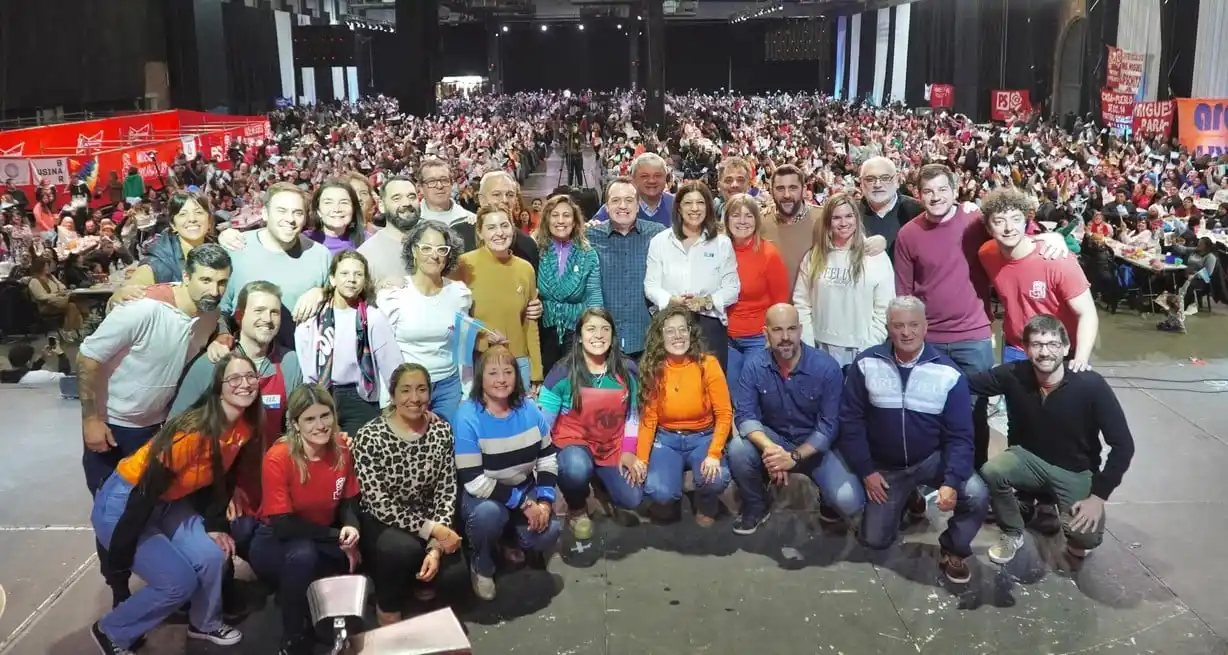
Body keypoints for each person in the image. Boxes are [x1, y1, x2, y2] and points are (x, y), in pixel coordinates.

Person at [77, 244, 231, 608]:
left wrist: (223, 337)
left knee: (153, 510)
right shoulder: (143, 309)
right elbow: (87, 358)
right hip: (114, 428)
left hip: (156, 428)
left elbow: (218, 324)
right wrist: (91, 418)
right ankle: (118, 592)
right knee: (112, 517)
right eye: (206, 280)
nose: (214, 289)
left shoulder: (208, 315)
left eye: (222, 282)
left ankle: (167, 585)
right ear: (186, 277)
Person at [894, 164, 1070, 471]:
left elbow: (1014, 233)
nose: (936, 197)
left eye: (942, 189)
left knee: (975, 413)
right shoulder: (908, 234)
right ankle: (936, 476)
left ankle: (972, 476)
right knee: (931, 411)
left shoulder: (975, 221)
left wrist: (1051, 237)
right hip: (930, 339)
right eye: (928, 191)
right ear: (918, 195)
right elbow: (904, 294)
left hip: (972, 337)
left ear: (955, 190)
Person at [89, 354, 262, 655]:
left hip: (167, 502)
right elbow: (143, 494)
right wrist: (120, 555)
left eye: (250, 376)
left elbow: (223, 476)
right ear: (219, 387)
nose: (244, 384)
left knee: (212, 556)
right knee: (177, 582)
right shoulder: (193, 432)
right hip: (128, 501)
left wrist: (215, 525)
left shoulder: (243, 427)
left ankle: (205, 623)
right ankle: (111, 631)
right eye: (234, 378)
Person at [835, 296, 989, 584]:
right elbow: (850, 421)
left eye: (913, 325)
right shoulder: (866, 364)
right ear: (888, 328)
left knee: (976, 493)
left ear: (925, 327)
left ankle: (954, 548)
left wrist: (951, 481)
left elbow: (960, 436)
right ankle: (909, 494)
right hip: (885, 467)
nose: (906, 332)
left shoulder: (948, 373)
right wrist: (866, 471)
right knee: (875, 541)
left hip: (930, 460)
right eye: (898, 325)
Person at [972, 315, 1135, 564]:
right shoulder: (1013, 374)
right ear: (1026, 349)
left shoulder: (1090, 385)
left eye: (1052, 344)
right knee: (993, 471)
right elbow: (963, 384)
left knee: (1085, 539)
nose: (1045, 352)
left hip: (1074, 470)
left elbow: (1123, 446)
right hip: (1028, 459)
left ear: (1066, 348)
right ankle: (1013, 531)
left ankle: (1048, 504)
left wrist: (1098, 497)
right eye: (1037, 344)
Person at [247, 384, 361, 655]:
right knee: (303, 555)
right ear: (295, 424)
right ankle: (292, 638)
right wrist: (337, 537)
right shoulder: (278, 457)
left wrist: (351, 529)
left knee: (339, 555)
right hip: (275, 539)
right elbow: (284, 525)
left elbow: (349, 500)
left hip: (320, 534)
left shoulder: (342, 447)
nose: (320, 425)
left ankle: (317, 617)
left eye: (325, 416)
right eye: (309, 419)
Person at [171, 280, 302, 516]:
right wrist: (220, 487)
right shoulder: (213, 364)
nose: (268, 319)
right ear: (240, 316)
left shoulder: (289, 362)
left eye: (274, 312)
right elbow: (176, 429)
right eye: (259, 310)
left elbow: (296, 427)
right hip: (215, 487)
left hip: (271, 485)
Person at [727, 304, 856, 534]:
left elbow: (829, 427)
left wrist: (793, 457)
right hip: (776, 440)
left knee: (849, 500)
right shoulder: (754, 365)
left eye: (791, 329)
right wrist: (771, 450)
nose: (785, 337)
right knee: (738, 448)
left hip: (816, 447)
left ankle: (828, 500)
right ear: (765, 333)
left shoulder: (825, 367)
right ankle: (757, 504)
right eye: (777, 330)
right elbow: (745, 415)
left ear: (800, 330)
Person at [352, 363, 464, 624]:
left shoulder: (441, 431)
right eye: (405, 390)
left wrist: (436, 547)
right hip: (383, 523)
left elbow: (446, 490)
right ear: (392, 395)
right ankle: (387, 606)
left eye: (422, 389)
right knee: (402, 550)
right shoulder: (369, 436)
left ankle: (420, 584)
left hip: (430, 519)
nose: (415, 398)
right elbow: (378, 503)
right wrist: (433, 530)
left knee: (457, 576)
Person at [453, 346, 561, 601]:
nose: (501, 379)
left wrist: (544, 503)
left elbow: (547, 458)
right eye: (493, 373)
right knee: (488, 516)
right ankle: (481, 563)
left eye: (508, 372)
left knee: (551, 530)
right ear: (480, 378)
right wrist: (525, 504)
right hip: (484, 496)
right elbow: (474, 481)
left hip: (523, 487)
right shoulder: (467, 416)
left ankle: (510, 540)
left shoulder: (530, 409)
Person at [539, 308, 643, 539]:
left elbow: (633, 416)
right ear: (579, 336)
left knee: (633, 498)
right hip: (573, 445)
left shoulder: (627, 371)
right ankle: (577, 507)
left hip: (611, 447)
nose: (598, 335)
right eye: (591, 329)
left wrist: (628, 451)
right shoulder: (561, 373)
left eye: (605, 329)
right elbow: (543, 425)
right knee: (576, 469)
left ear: (613, 336)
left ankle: (601, 485)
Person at [978, 187, 1098, 369]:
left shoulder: (1056, 258)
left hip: (1059, 350)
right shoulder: (987, 254)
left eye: (1016, 219)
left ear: (1026, 222)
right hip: (1017, 347)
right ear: (988, 227)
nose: (1009, 228)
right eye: (999, 221)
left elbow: (1087, 313)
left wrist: (1080, 359)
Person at [635, 306, 733, 526]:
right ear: (660, 336)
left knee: (716, 478)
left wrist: (714, 453)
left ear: (690, 332)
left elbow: (724, 413)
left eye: (682, 329)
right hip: (666, 438)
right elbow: (649, 419)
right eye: (670, 331)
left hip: (703, 437)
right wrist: (642, 458)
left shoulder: (708, 364)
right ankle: (670, 496)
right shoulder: (654, 368)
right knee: (659, 491)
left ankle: (705, 500)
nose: (677, 336)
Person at [296, 250, 403, 435]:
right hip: (321, 394)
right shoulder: (314, 316)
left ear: (365, 281)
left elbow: (392, 364)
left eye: (358, 274)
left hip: (359, 397)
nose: (351, 279)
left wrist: (400, 401)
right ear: (332, 279)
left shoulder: (373, 317)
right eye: (344, 273)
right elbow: (304, 359)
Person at [219, 182, 332, 348]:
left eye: (298, 213)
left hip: (300, 358)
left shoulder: (320, 255)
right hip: (245, 358)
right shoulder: (237, 248)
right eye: (281, 211)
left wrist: (322, 293)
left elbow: (338, 305)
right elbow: (220, 307)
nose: (290, 219)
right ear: (265, 213)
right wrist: (222, 337)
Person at [379, 220, 471, 423]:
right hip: (407, 388)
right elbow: (384, 352)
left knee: (446, 439)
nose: (434, 255)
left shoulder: (459, 293)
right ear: (414, 251)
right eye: (426, 248)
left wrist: (467, 392)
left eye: (441, 249)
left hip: (448, 387)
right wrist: (387, 399)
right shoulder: (394, 295)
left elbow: (463, 347)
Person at [644, 181, 740, 371]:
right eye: (688, 203)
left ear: (708, 207)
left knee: (709, 382)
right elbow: (651, 286)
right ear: (679, 208)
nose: (694, 208)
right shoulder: (660, 242)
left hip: (709, 325)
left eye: (700, 202)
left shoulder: (722, 243)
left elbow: (732, 288)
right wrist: (672, 301)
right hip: (670, 322)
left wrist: (705, 301)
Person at [794, 192, 895, 367]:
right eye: (836, 218)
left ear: (857, 219)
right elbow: (802, 303)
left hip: (862, 349)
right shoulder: (814, 256)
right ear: (828, 222)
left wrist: (868, 348)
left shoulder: (875, 256)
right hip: (820, 348)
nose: (843, 223)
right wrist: (809, 346)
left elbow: (884, 309)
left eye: (849, 216)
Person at [454, 206, 543, 393]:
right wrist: (484, 337)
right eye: (491, 227)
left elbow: (530, 323)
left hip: (518, 361)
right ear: (480, 232)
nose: (500, 233)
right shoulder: (463, 265)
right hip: (479, 361)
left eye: (504, 225)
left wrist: (536, 372)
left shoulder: (525, 269)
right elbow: (454, 319)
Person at [586, 177, 666, 360]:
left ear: (638, 206)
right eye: (615, 200)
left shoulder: (658, 234)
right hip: (604, 342)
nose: (623, 206)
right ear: (606, 207)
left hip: (648, 342)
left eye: (629, 200)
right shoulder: (589, 236)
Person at [723, 193, 789, 388]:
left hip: (758, 339)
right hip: (725, 338)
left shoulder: (769, 253)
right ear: (727, 220)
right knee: (733, 395)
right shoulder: (719, 250)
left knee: (753, 392)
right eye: (736, 215)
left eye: (748, 216)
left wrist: (774, 338)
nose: (742, 221)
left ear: (756, 220)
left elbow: (780, 302)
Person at [534, 194, 603, 374]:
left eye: (566, 215)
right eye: (555, 215)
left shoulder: (588, 254)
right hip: (542, 331)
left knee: (574, 381)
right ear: (547, 220)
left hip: (576, 331)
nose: (560, 221)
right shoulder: (536, 250)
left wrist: (595, 330)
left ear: (574, 221)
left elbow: (594, 295)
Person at [857, 156, 924, 260]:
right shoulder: (850, 213)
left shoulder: (919, 211)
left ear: (896, 180)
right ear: (861, 183)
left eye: (885, 178)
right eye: (870, 179)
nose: (877, 185)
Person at [357, 176, 419, 285]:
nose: (406, 203)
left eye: (411, 196)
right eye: (396, 198)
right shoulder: (366, 255)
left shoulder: (435, 244)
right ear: (381, 205)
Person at [591, 152, 674, 228]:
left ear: (665, 178)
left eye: (658, 176)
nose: (651, 181)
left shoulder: (677, 204)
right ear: (632, 178)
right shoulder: (616, 206)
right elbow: (593, 228)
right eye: (644, 176)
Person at [304, 180, 368, 256]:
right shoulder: (304, 240)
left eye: (344, 202)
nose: (337, 209)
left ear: (353, 208)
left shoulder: (367, 241)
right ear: (318, 210)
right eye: (328, 203)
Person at [0, 340, 71, 384]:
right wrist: (61, 353)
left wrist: (43, 359)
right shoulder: (41, 375)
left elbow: (26, 373)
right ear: (28, 362)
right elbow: (65, 377)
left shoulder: (4, 377)